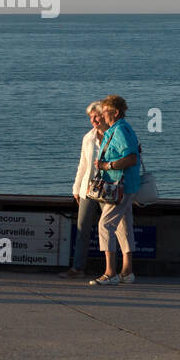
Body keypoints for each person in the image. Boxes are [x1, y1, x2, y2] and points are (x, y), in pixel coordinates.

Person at [90, 95, 139, 286]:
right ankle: (127, 272)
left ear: (115, 112)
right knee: (123, 226)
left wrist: (106, 165)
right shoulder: (120, 129)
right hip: (126, 186)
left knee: (105, 225)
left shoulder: (120, 131)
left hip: (119, 186)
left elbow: (131, 158)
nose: (102, 116)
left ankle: (110, 272)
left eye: (105, 112)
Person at [62, 102, 108, 278]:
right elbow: (83, 165)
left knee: (110, 230)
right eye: (90, 117)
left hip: (108, 189)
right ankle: (78, 268)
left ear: (104, 115)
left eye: (96, 116)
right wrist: (76, 188)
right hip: (88, 189)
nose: (93, 120)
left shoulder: (114, 136)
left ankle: (111, 270)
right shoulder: (88, 138)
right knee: (82, 229)